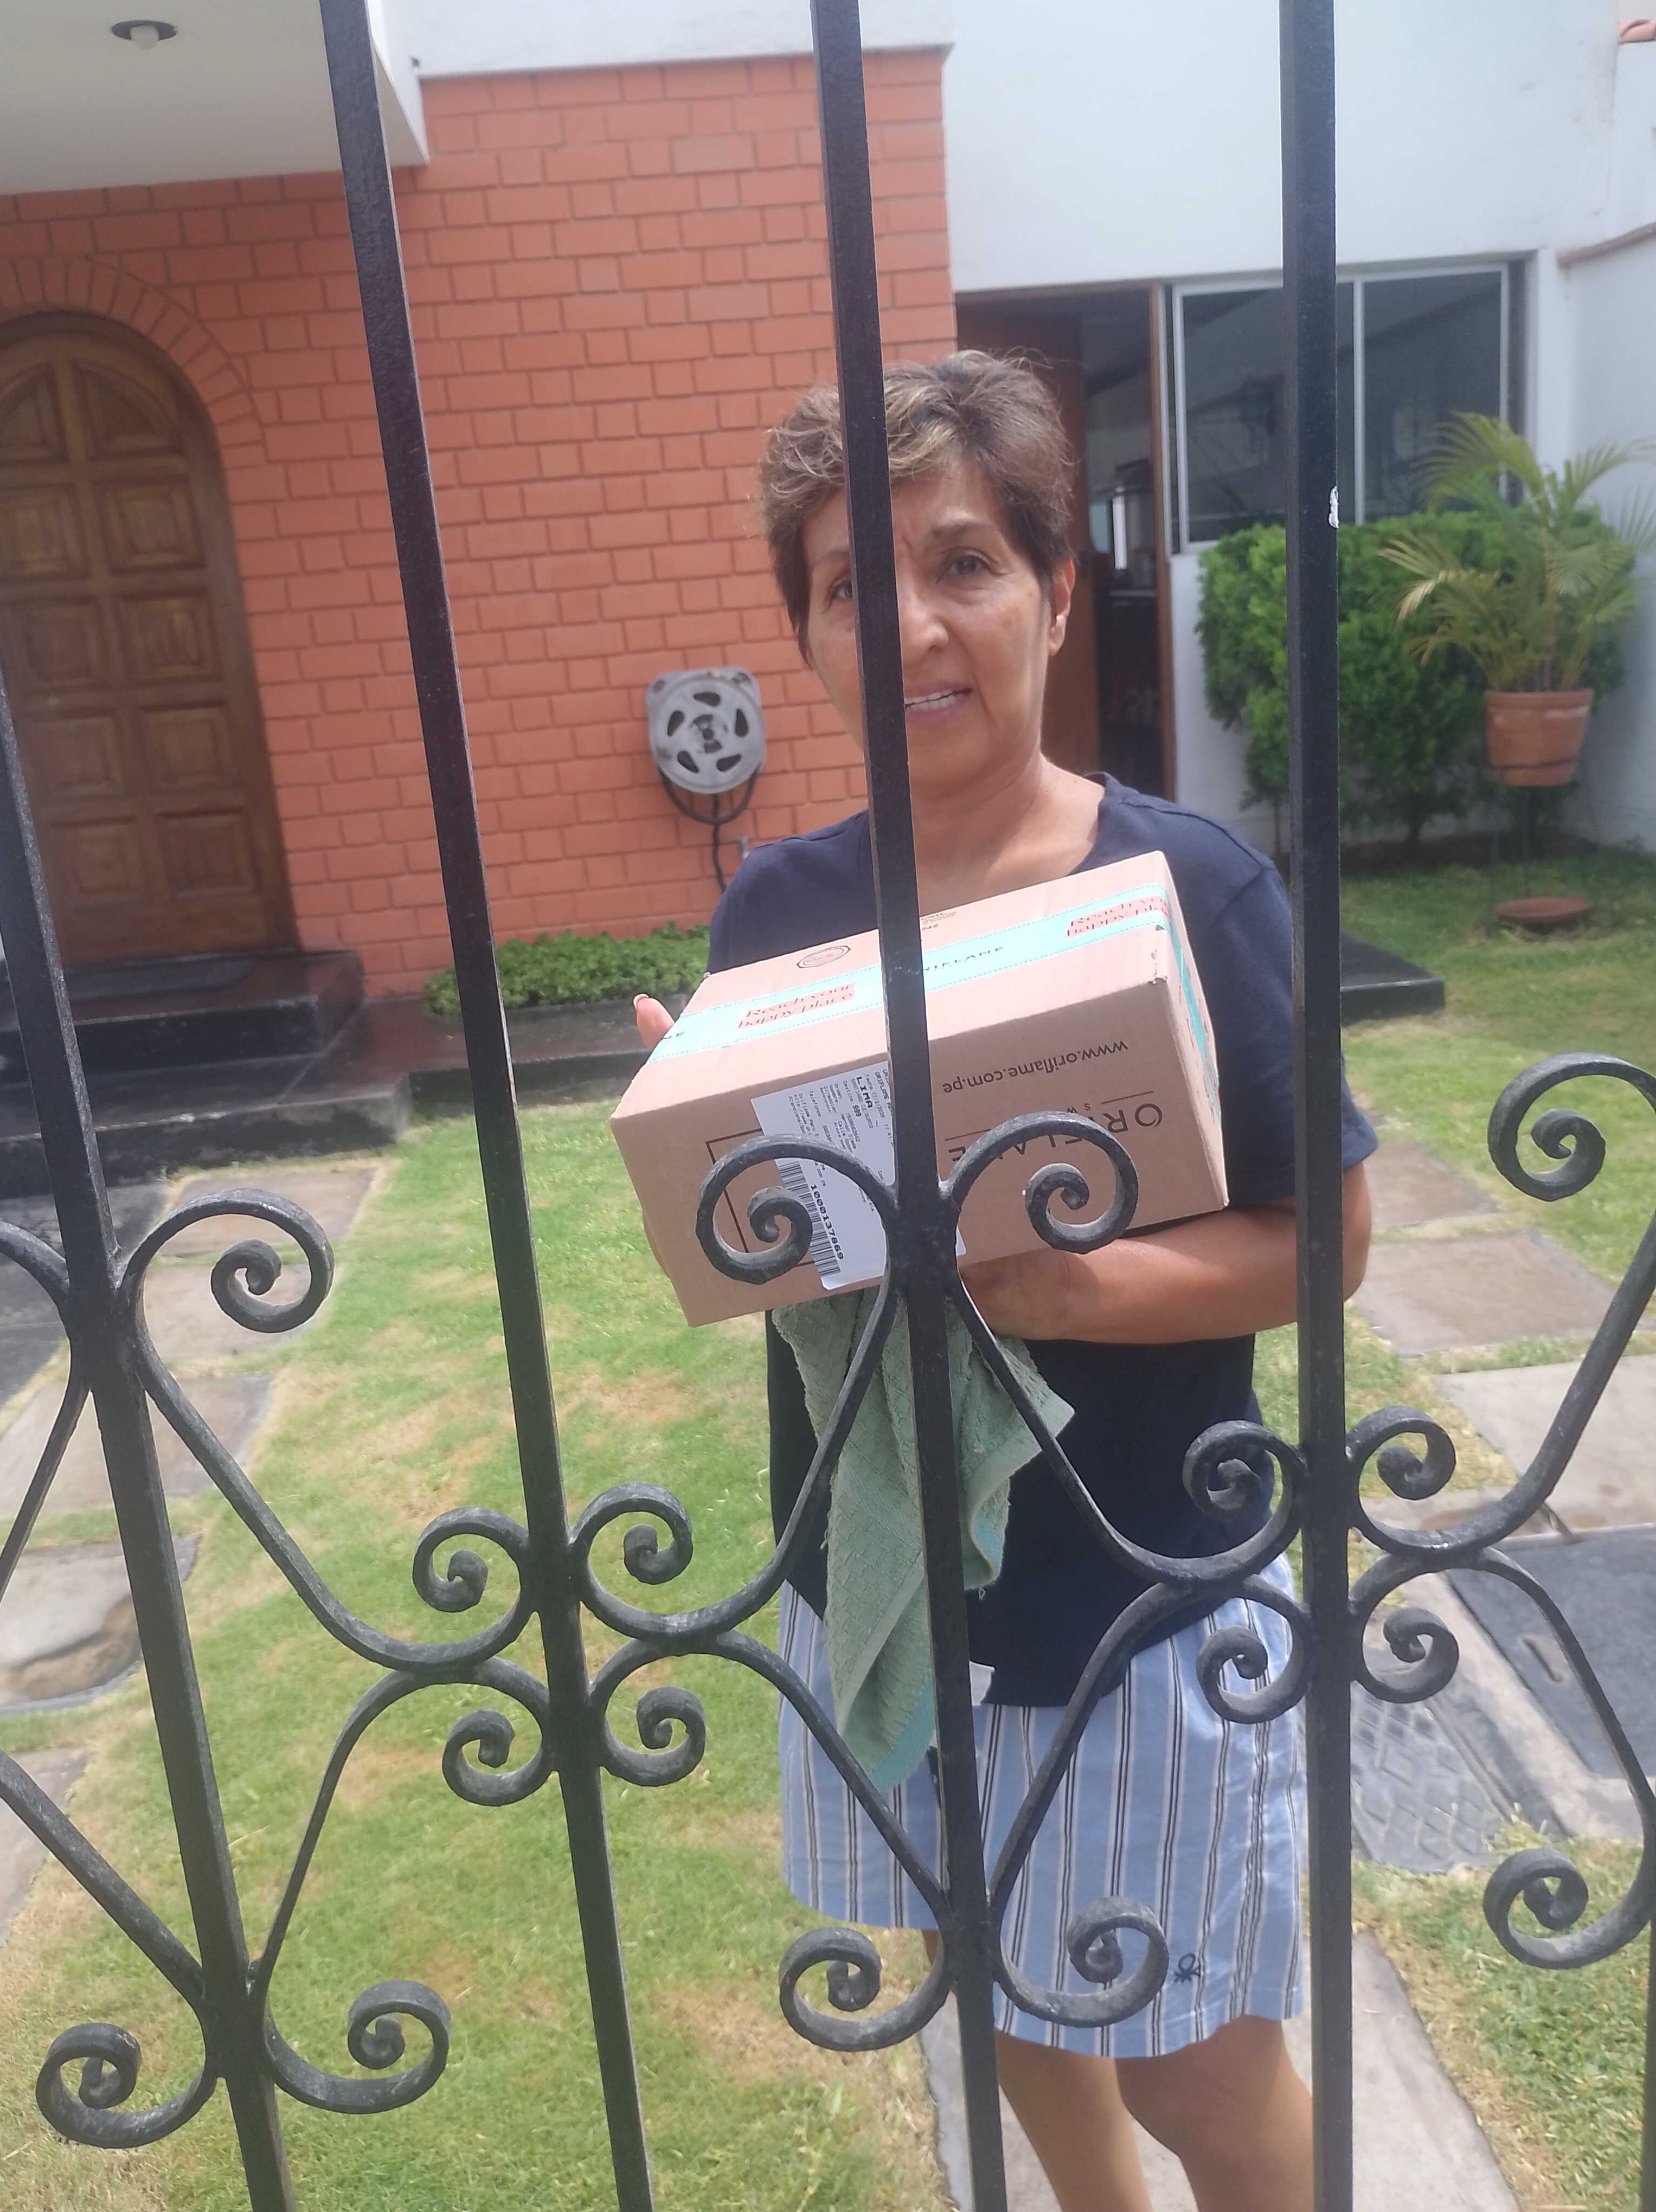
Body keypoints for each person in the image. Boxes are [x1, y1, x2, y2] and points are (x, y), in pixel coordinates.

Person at [634, 351, 1374, 2212]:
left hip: (1134, 1588)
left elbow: (1331, 1240)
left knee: (1197, 2062)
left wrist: (1073, 1293)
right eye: (847, 587)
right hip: (892, 1571)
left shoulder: (1191, 889)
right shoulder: (777, 914)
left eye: (961, 563)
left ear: (1052, 594)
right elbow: (770, 1254)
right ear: (808, 637)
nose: (909, 628)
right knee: (1001, 1980)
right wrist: (712, 1156)